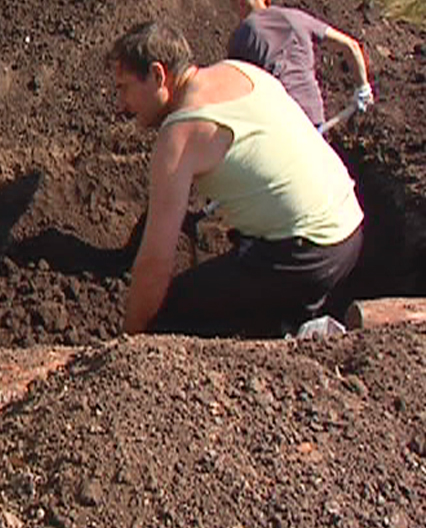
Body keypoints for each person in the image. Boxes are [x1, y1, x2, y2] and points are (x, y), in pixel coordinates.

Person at [111, 22, 364, 337]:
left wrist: (130, 340)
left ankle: (290, 331)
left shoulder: (180, 133)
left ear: (158, 75)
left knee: (168, 319)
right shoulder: (240, 70)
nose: (122, 104)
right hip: (348, 230)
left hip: (307, 254)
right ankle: (284, 321)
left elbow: (155, 262)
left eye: (125, 88)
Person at [227, 0, 373, 128]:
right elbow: (351, 46)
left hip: (279, 121)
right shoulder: (296, 17)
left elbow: (235, 88)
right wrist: (363, 88)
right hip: (312, 116)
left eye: (234, 8)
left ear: (241, 3)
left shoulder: (241, 36)